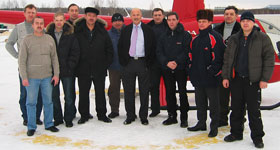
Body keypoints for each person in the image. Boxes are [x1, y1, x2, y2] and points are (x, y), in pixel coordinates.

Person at [222, 11, 274, 148]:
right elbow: (227, 59)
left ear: (253, 22)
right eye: (243, 20)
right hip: (237, 79)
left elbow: (269, 59)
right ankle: (236, 133)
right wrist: (226, 77)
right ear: (240, 22)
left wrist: (264, 79)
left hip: (253, 80)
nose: (245, 23)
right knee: (236, 109)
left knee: (254, 111)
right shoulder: (234, 38)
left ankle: (257, 137)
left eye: (248, 21)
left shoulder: (262, 38)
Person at [18, 16, 60, 136]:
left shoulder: (49, 39)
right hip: (32, 78)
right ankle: (31, 126)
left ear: (44, 25)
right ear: (33, 25)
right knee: (31, 102)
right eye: (37, 23)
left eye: (41, 23)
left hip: (47, 77)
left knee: (48, 101)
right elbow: (22, 60)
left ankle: (49, 123)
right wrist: (24, 77)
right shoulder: (27, 40)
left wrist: (56, 74)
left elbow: (54, 58)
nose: (39, 25)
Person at [187, 9, 225, 137]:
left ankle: (214, 126)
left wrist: (212, 72)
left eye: (204, 21)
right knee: (200, 103)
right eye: (200, 21)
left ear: (210, 22)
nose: (201, 24)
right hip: (198, 79)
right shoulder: (195, 40)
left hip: (211, 79)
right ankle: (201, 123)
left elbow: (219, 59)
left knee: (214, 104)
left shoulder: (215, 37)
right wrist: (192, 73)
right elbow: (190, 58)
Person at [5, 4, 43, 126]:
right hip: (25, 68)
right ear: (24, 14)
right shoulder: (19, 28)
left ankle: (36, 116)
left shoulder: (40, 27)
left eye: (33, 12)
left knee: (38, 94)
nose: (31, 14)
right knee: (25, 93)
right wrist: (17, 56)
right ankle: (26, 117)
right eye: (29, 12)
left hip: (39, 67)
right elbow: (9, 44)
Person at [74, 7, 113, 124]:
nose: (91, 18)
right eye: (89, 15)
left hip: (99, 69)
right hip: (83, 68)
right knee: (83, 93)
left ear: (96, 18)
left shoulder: (102, 31)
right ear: (85, 16)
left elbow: (109, 50)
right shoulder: (78, 31)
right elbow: (74, 49)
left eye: (93, 16)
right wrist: (77, 64)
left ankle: (102, 114)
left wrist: (105, 64)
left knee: (100, 92)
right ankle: (84, 115)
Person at [118, 8, 156, 125]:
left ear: (141, 16)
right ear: (131, 17)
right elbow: (120, 47)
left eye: (137, 15)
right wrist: (124, 62)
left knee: (144, 91)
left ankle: (143, 116)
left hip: (143, 63)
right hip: (129, 63)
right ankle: (130, 115)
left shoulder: (148, 30)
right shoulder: (126, 30)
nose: (135, 17)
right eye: (133, 15)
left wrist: (148, 63)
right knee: (129, 91)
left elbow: (153, 47)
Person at [156, 12, 191, 128]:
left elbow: (186, 51)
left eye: (173, 19)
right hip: (167, 69)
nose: (171, 22)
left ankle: (184, 117)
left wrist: (176, 62)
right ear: (167, 21)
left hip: (180, 68)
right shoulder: (163, 36)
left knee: (182, 93)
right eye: (169, 20)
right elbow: (159, 52)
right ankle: (172, 116)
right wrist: (166, 62)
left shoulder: (185, 35)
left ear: (177, 20)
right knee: (169, 92)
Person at [46, 12, 80, 127]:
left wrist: (70, 65)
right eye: (57, 20)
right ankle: (58, 118)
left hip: (67, 71)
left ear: (64, 20)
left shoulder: (70, 34)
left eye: (61, 20)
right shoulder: (48, 34)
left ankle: (68, 118)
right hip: (52, 71)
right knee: (54, 96)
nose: (59, 22)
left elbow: (75, 52)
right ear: (53, 20)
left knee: (69, 96)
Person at [213, 6, 241, 127]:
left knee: (238, 97)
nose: (228, 16)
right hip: (222, 68)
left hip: (237, 68)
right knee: (222, 96)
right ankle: (222, 119)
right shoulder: (217, 29)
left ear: (236, 16)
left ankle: (238, 120)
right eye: (226, 14)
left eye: (231, 14)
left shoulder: (242, 29)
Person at [147, 8, 168, 118]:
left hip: (166, 61)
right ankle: (155, 108)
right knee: (153, 86)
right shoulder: (148, 27)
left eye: (159, 15)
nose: (157, 17)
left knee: (170, 86)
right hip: (153, 62)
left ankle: (171, 108)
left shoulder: (168, 25)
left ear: (163, 15)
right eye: (155, 15)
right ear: (153, 16)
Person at [107, 13, 125, 119]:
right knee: (114, 89)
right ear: (112, 22)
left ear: (123, 21)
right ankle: (114, 110)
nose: (117, 23)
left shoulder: (128, 32)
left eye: (119, 20)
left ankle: (130, 110)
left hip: (127, 66)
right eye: (115, 21)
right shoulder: (108, 34)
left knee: (129, 89)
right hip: (114, 66)